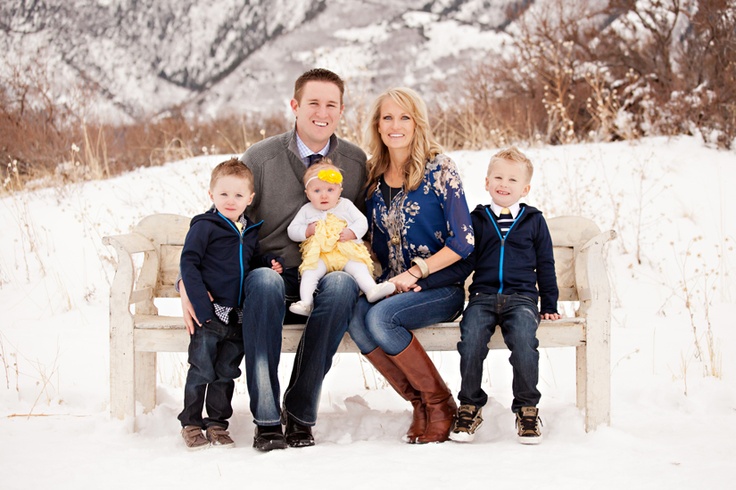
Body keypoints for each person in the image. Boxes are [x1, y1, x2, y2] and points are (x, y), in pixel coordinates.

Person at [179, 68, 367, 450]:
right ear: (295, 106)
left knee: (343, 283)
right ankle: (266, 418)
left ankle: (298, 413)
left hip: (325, 278)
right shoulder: (261, 158)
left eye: (331, 104)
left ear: (342, 110)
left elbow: (361, 225)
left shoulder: (355, 160)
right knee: (264, 280)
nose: (322, 111)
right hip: (269, 280)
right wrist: (187, 282)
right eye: (313, 102)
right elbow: (221, 218)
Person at [347, 87, 475, 444]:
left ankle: (440, 403)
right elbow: (371, 240)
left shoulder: (440, 169)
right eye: (387, 117)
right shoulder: (372, 177)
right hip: (390, 288)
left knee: (381, 318)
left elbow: (463, 241)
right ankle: (418, 403)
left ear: (417, 123)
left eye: (404, 117)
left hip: (439, 289)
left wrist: (417, 271)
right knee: (355, 315)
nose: (395, 125)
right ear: (377, 125)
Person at [416, 147, 561, 445]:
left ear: (525, 188)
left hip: (521, 299)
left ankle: (527, 409)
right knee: (470, 340)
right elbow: (465, 261)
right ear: (486, 182)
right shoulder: (478, 220)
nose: (504, 184)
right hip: (481, 297)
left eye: (512, 179)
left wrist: (549, 303)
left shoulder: (534, 220)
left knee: (523, 340)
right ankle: (470, 406)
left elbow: (545, 263)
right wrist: (428, 280)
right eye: (498, 177)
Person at [178, 158, 284, 450]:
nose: (230, 200)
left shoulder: (249, 231)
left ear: (249, 199)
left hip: (236, 317)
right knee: (201, 369)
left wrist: (267, 262)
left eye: (238, 195)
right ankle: (190, 422)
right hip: (208, 317)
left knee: (226, 372)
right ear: (211, 194)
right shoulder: (205, 226)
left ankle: (216, 424)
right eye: (223, 194)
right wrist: (202, 309)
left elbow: (247, 264)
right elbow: (189, 264)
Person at [287, 159, 395, 316]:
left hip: (346, 251)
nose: (324, 196)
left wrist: (352, 232)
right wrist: (306, 231)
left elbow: (361, 221)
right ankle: (306, 302)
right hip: (321, 254)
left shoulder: (345, 205)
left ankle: (371, 289)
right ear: (307, 193)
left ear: (339, 190)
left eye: (330, 190)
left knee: (359, 268)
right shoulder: (306, 210)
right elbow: (292, 230)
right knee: (309, 272)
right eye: (317, 191)